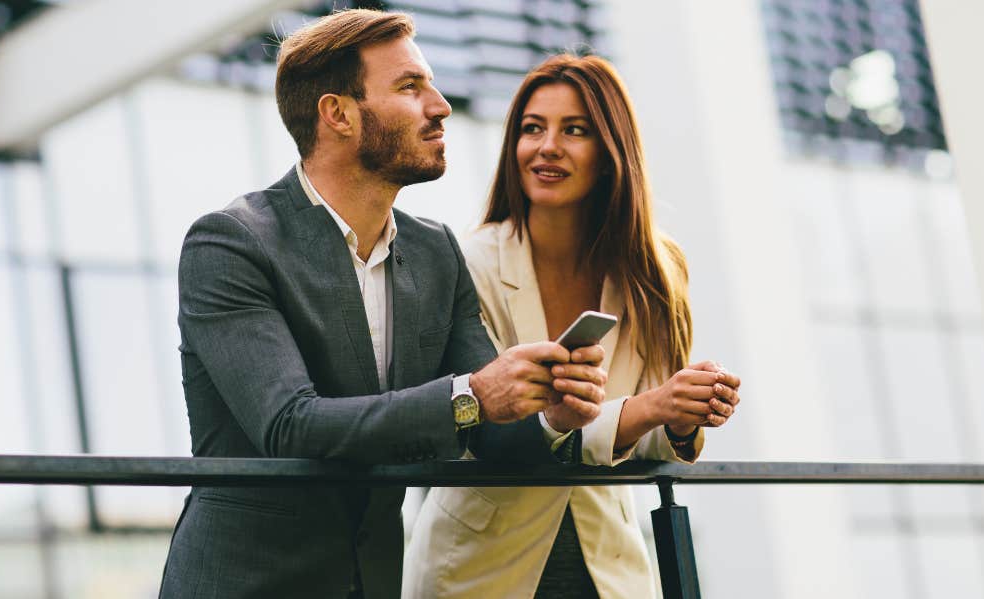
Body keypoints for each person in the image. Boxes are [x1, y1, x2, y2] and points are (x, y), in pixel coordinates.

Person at [158, 11, 610, 599]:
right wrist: (473, 394)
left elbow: (486, 432)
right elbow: (290, 425)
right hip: (244, 583)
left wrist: (552, 414)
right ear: (338, 114)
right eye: (409, 87)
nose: (441, 105)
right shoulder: (231, 242)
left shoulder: (435, 251)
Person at [403, 54, 743, 598]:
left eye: (575, 130)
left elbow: (640, 440)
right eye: (532, 128)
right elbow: (476, 431)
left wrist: (680, 416)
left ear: (611, 153)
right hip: (479, 565)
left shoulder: (655, 270)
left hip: (606, 565)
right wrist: (650, 407)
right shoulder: (467, 262)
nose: (547, 147)